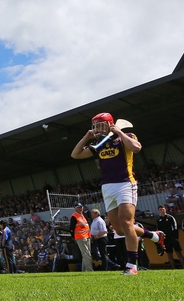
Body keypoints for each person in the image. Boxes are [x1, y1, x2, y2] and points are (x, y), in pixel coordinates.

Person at [71, 112, 165, 275]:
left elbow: (136, 148)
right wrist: (86, 137)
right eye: (95, 126)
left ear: (109, 124)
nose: (97, 129)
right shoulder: (99, 143)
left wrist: (119, 132)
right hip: (107, 187)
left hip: (125, 183)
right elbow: (75, 154)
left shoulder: (127, 135)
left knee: (126, 222)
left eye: (100, 125)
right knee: (120, 230)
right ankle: (155, 236)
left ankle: (132, 266)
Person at [157, 204, 184, 269]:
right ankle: (173, 268)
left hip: (173, 238)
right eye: (160, 209)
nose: (162, 210)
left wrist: (176, 238)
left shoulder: (170, 217)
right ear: (158, 211)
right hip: (166, 240)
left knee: (178, 253)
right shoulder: (158, 219)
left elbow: (175, 228)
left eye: (163, 209)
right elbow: (158, 230)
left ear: (165, 209)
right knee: (169, 254)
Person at [70, 204, 92, 271]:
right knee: (86, 254)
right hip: (80, 237)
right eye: (79, 207)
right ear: (75, 208)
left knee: (86, 254)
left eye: (81, 207)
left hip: (87, 236)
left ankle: (84, 269)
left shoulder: (83, 215)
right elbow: (71, 228)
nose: (81, 208)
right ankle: (89, 269)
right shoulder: (74, 216)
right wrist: (73, 237)